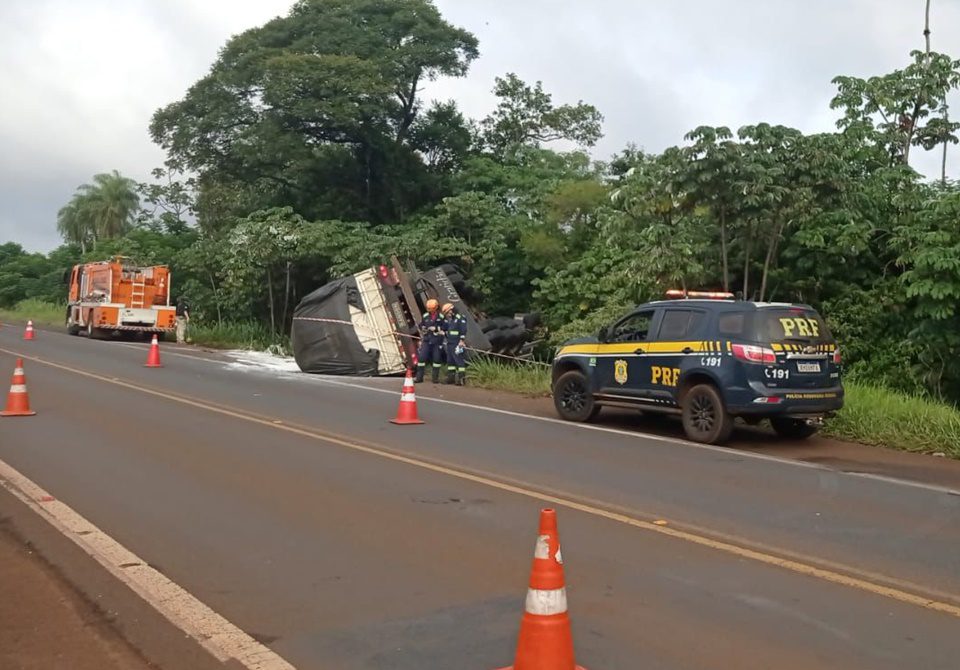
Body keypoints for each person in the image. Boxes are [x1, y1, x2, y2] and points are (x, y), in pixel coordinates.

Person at [415, 299, 445, 383]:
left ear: (436, 308)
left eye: (431, 309)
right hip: (427, 340)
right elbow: (421, 324)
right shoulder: (425, 316)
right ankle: (419, 378)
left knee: (436, 359)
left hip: (437, 341)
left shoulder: (441, 317)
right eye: (428, 309)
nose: (429, 310)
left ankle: (435, 378)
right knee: (421, 358)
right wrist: (423, 328)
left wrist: (436, 328)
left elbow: (445, 327)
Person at [441, 302, 467, 386]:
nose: (447, 315)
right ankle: (451, 378)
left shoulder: (460, 318)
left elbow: (463, 330)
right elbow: (450, 331)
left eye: (447, 313)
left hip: (457, 343)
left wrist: (461, 341)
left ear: (451, 310)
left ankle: (462, 379)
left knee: (459, 361)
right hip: (450, 343)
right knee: (450, 361)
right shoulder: (451, 320)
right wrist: (444, 333)